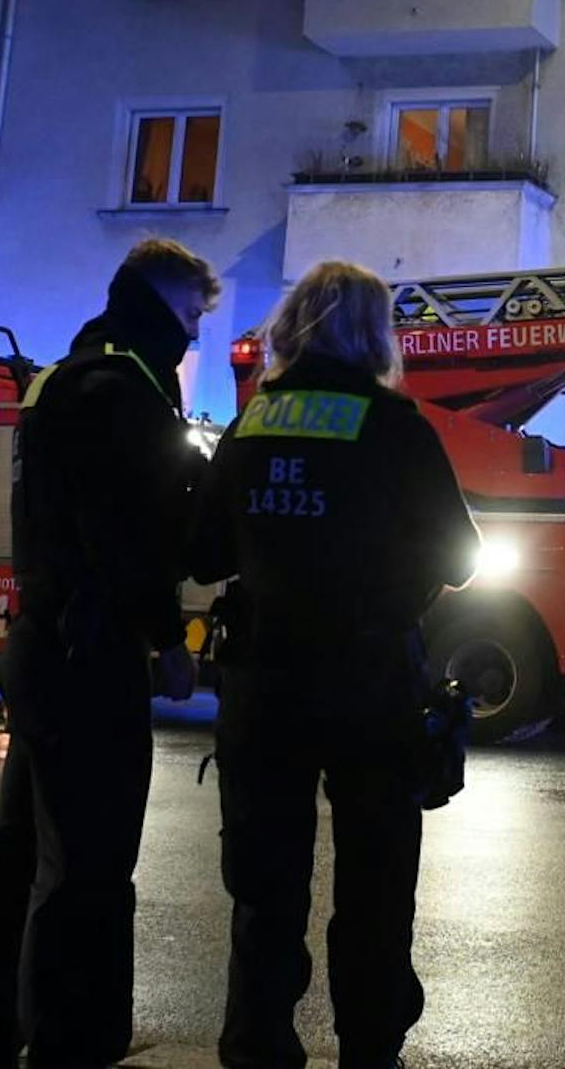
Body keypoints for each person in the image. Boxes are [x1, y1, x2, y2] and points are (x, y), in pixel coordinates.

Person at [190, 260, 480, 1069]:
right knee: (377, 887)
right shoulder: (395, 425)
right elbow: (462, 553)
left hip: (266, 683)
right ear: (373, 336)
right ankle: (369, 1049)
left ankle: (258, 1046)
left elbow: (205, 553)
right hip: (371, 683)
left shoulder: (254, 424)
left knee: (264, 891)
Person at [0, 238, 219, 1068]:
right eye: (194, 317)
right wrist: (169, 638)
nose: (197, 336)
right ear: (163, 307)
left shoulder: (71, 373)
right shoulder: (120, 391)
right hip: (88, 652)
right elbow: (122, 536)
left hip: (46, 645)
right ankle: (70, 1046)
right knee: (88, 870)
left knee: (17, 854)